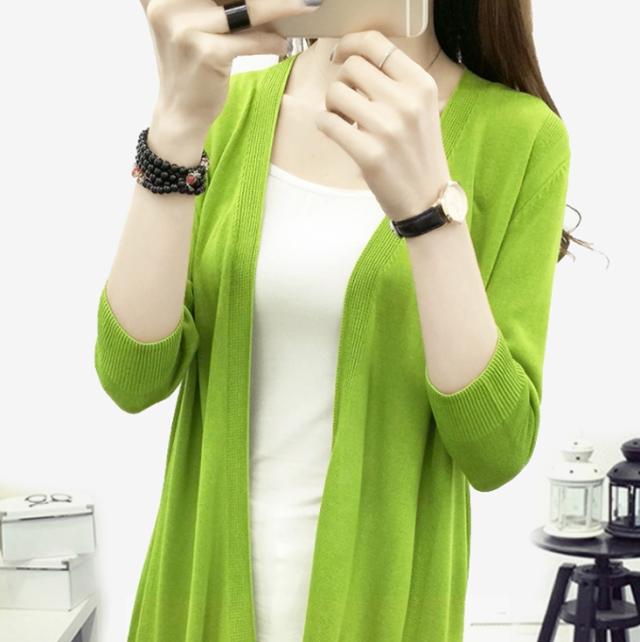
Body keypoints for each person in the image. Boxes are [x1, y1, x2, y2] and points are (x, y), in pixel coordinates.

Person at [94, 1, 587, 640]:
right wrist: (175, 128)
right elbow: (131, 377)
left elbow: (495, 450)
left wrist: (428, 213)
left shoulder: (520, 137)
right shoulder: (225, 107)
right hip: (194, 607)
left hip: (385, 614)